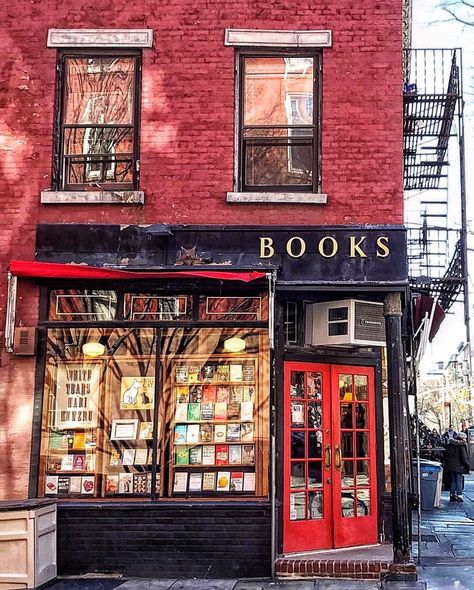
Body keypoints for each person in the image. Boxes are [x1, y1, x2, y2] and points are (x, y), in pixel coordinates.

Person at [444, 432, 470, 502]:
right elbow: (464, 458)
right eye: (465, 438)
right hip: (459, 465)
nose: (465, 439)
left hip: (450, 465)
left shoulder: (450, 444)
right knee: (459, 480)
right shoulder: (462, 445)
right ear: (462, 438)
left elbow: (446, 454)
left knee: (453, 480)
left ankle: (452, 495)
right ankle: (459, 495)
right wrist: (468, 466)